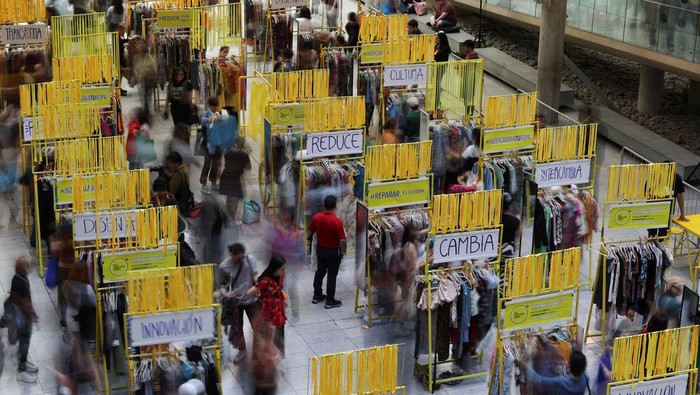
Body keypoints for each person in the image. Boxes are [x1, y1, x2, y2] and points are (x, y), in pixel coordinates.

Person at [247, 256, 287, 394]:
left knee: (275, 337)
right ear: (275, 268)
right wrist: (264, 298)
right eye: (281, 269)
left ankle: (274, 366)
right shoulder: (265, 281)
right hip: (268, 313)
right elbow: (250, 292)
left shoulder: (278, 277)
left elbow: (279, 287)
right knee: (268, 340)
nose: (283, 271)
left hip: (277, 311)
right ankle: (268, 369)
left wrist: (281, 296)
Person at [219, 243, 259, 365]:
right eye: (239, 257)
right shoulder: (224, 266)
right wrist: (226, 294)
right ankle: (242, 351)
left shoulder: (249, 259)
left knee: (257, 326)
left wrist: (258, 285)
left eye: (243, 256)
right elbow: (221, 285)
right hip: (236, 302)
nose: (241, 259)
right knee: (238, 328)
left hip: (252, 300)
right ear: (232, 255)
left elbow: (255, 275)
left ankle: (257, 353)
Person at [308, 195, 347, 309]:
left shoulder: (316, 217)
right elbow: (342, 240)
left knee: (320, 271)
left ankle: (317, 295)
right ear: (335, 206)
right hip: (333, 252)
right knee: (331, 275)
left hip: (320, 249)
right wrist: (343, 251)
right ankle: (330, 300)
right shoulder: (337, 221)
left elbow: (309, 230)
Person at [6, 256, 39, 383]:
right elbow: (24, 302)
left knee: (25, 341)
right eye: (29, 265)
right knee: (24, 341)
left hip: (22, 316)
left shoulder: (20, 277)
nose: (31, 268)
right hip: (21, 318)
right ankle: (21, 371)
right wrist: (32, 315)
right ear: (23, 267)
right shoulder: (20, 281)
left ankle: (23, 363)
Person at [517, 350, 589, 395]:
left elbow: (539, 379)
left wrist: (525, 367)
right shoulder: (586, 378)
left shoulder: (561, 381)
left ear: (570, 365)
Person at [219, 137, 251, 225]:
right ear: (242, 144)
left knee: (229, 199)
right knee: (234, 201)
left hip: (225, 177)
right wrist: (247, 154)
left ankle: (228, 218)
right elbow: (248, 168)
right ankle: (232, 220)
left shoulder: (227, 152)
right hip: (235, 179)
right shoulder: (243, 155)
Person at [50, 222, 75, 330]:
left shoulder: (59, 244)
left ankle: (64, 321)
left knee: (63, 298)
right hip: (73, 272)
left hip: (62, 271)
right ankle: (74, 319)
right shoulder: (76, 243)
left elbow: (53, 250)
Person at [199, 97, 223, 195]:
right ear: (210, 106)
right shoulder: (205, 114)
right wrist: (210, 119)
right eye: (213, 107)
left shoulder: (218, 114)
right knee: (207, 164)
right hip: (208, 145)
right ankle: (203, 185)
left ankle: (213, 183)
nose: (215, 109)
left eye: (216, 107)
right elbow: (203, 121)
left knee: (216, 165)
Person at [134, 51, 158, 115]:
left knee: (148, 97)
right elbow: (135, 69)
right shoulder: (136, 57)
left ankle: (147, 111)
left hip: (149, 81)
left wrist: (145, 72)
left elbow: (154, 70)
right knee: (142, 98)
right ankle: (144, 111)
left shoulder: (149, 58)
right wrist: (139, 76)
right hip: (140, 82)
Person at [501, 192, 522, 258]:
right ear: (510, 205)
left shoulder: (493, 220)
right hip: (508, 252)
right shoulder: (515, 220)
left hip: (494, 253)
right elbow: (519, 234)